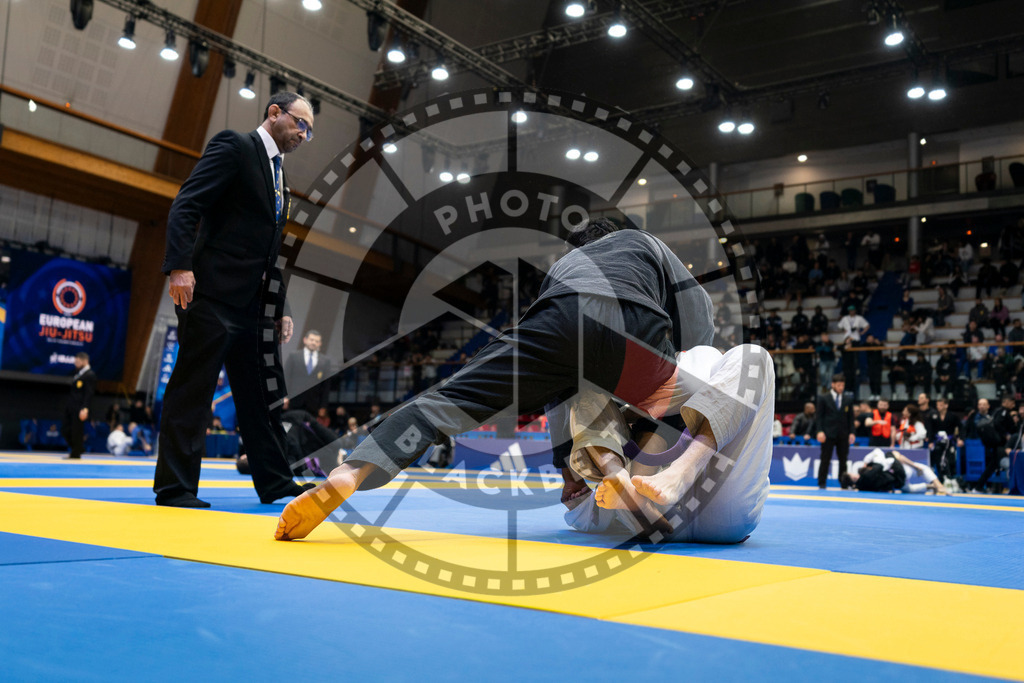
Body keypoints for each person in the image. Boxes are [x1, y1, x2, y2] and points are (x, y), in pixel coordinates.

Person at [274, 218, 719, 541]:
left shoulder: (564, 266)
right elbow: (699, 317)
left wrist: (564, 467)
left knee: (444, 403)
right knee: (702, 406)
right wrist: (680, 359)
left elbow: (559, 388)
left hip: (553, 319)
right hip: (632, 322)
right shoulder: (644, 241)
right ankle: (636, 477)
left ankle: (352, 471)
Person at [154, 92, 316, 508]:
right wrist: (179, 266)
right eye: (300, 123)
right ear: (274, 113)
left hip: (255, 305)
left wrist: (279, 307)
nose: (304, 133)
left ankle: (276, 482)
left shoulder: (281, 178)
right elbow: (187, 204)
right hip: (210, 295)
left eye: (309, 130)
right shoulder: (234, 146)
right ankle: (176, 488)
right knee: (193, 392)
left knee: (262, 398)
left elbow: (271, 250)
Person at [840, 448, 950, 495]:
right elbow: (878, 456)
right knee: (892, 454)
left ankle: (930, 486)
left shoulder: (862, 487)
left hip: (896, 483)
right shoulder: (866, 475)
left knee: (908, 489)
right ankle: (938, 485)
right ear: (853, 478)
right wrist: (866, 462)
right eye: (852, 474)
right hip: (899, 473)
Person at [815, 374, 856, 489]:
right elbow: (819, 417)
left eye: (842, 385)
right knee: (825, 459)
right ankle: (821, 482)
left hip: (843, 433)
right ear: (832, 385)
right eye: (838, 385)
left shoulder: (848, 399)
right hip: (827, 433)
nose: (841, 387)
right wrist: (819, 431)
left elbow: (851, 418)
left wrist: (852, 432)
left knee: (843, 460)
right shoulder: (823, 398)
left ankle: (843, 483)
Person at [284, 329, 332, 415]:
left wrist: (323, 406)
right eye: (311, 340)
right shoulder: (293, 356)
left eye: (317, 341)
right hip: (294, 402)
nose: (313, 343)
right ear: (305, 340)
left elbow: (326, 386)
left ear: (320, 343)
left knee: (309, 428)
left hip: (313, 404)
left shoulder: (325, 361)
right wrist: (284, 397)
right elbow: (286, 378)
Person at [63, 352, 96, 460]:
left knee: (76, 430)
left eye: (78, 362)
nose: (76, 364)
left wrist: (85, 408)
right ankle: (78, 448)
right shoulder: (78, 373)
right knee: (65, 429)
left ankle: (75, 453)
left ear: (85, 361)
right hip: (71, 407)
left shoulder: (90, 375)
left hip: (80, 408)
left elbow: (89, 393)